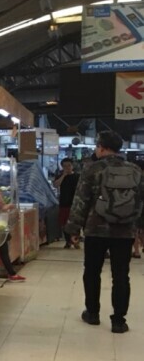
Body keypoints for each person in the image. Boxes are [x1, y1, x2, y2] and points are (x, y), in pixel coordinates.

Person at [65, 131, 144, 333]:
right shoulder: (135, 170)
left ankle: (92, 313)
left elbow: (81, 200)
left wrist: (73, 228)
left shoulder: (93, 169)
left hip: (96, 229)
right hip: (125, 231)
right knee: (121, 275)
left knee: (92, 271)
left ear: (102, 147)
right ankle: (119, 321)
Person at [54, 158, 80, 249]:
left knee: (75, 224)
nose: (67, 168)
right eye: (65, 166)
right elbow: (56, 185)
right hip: (64, 203)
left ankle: (76, 241)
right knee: (64, 223)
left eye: (69, 165)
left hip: (75, 204)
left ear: (72, 166)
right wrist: (63, 176)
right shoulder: (60, 176)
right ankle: (68, 241)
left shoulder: (77, 176)